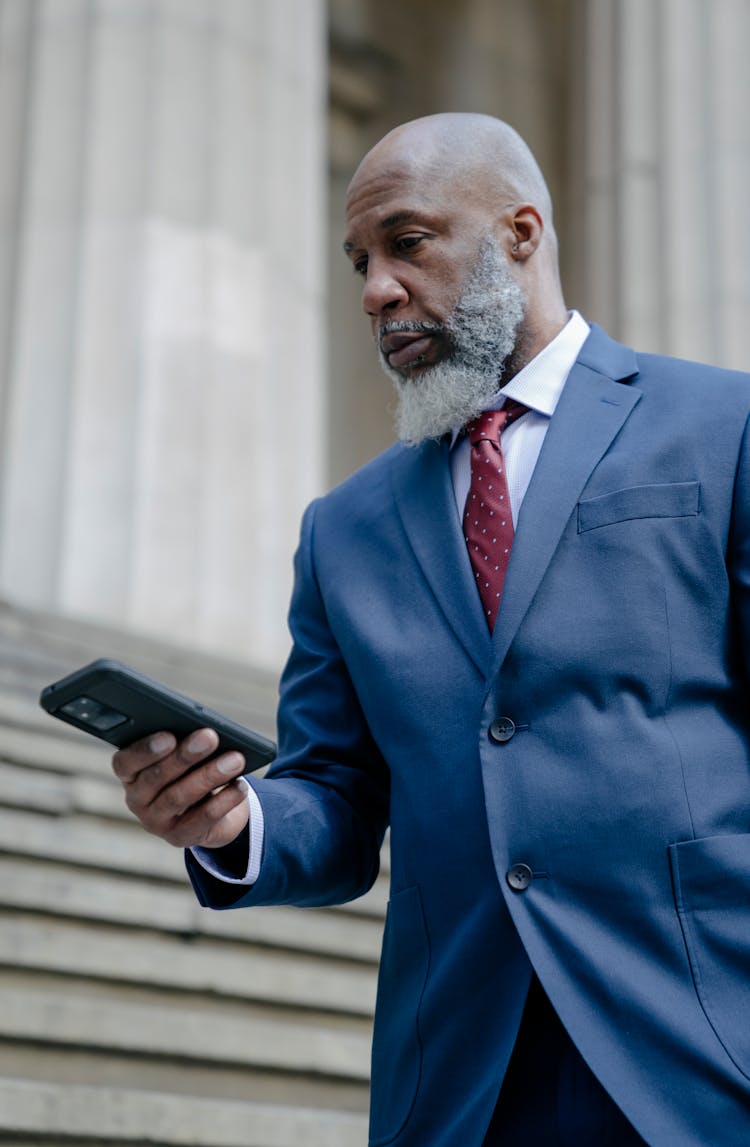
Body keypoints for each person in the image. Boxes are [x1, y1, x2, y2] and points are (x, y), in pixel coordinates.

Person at [112, 113, 750, 1146]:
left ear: (521, 232)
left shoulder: (724, 427)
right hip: (460, 1081)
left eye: (408, 243)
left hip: (699, 1051)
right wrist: (236, 824)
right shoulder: (343, 529)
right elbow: (336, 789)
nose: (375, 290)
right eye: (362, 260)